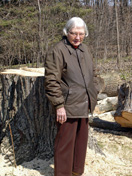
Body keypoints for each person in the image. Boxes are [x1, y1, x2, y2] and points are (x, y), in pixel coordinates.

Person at [44, 17, 98, 176]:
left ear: (85, 34)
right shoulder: (58, 51)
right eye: (73, 33)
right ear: (66, 33)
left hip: (85, 103)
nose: (77, 37)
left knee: (81, 143)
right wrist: (59, 106)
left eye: (81, 34)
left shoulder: (85, 50)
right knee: (65, 145)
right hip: (68, 106)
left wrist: (93, 94)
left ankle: (76, 172)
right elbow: (51, 81)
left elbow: (93, 74)